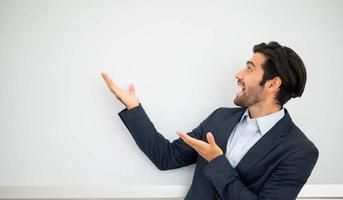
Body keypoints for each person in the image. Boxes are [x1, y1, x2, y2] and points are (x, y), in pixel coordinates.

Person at [100, 41, 319, 200]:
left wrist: (217, 162)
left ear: (272, 84)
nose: (238, 75)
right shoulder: (220, 118)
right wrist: (133, 107)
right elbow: (165, 157)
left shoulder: (299, 151)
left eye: (249, 68)